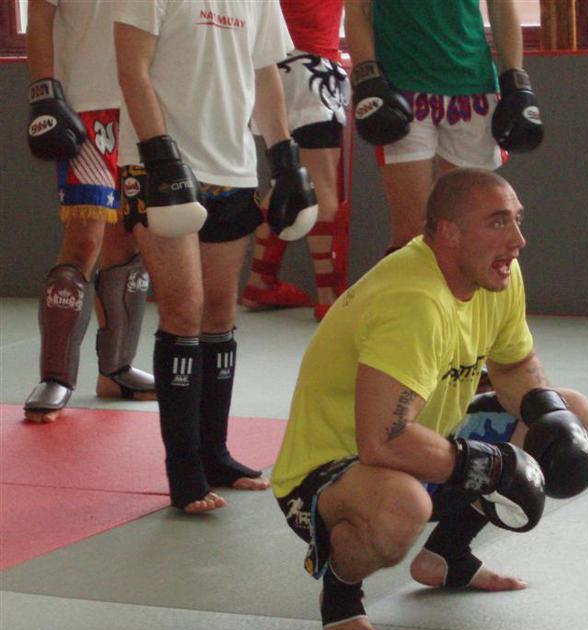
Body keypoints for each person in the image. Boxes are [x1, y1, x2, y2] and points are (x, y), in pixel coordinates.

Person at [272, 169, 588, 630]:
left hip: (421, 442)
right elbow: (382, 439)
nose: (518, 240)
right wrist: (491, 465)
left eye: (517, 220)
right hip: (332, 472)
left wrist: (549, 417)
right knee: (403, 506)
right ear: (449, 233)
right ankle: (341, 596)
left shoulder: (498, 274)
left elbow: (514, 365)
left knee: (568, 415)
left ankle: (447, 555)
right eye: (498, 223)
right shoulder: (413, 301)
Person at [114, 0, 318, 513]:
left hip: (233, 166)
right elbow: (132, 68)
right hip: (159, 163)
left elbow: (265, 73)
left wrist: (285, 159)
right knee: (184, 308)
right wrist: (160, 153)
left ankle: (215, 453)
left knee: (219, 313)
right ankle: (184, 469)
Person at [23, 0, 155, 424]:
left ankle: (116, 370)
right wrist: (44, 93)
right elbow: (39, 14)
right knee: (84, 239)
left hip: (143, 102)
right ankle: (55, 376)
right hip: (85, 105)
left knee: (129, 237)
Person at [344, 0, 543, 254]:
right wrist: (367, 78)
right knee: (411, 236)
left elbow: (502, 6)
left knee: (473, 230)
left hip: (473, 87)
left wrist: (516, 81)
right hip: (403, 88)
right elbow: (357, 8)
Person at [240, 0, 351, 320]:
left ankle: (260, 279)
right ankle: (329, 294)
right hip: (313, 67)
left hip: (272, 69)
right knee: (321, 184)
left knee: (289, 179)